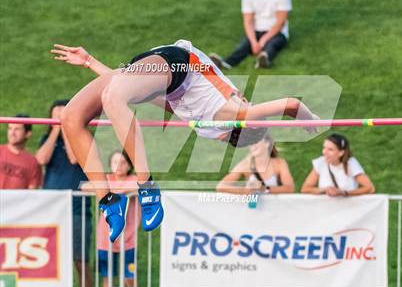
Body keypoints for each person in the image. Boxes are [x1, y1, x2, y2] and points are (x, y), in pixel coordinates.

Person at [50, 38, 318, 242]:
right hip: (174, 63)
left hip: (164, 74)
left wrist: (90, 63)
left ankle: (113, 200)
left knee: (78, 114)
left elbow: (130, 91)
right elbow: (293, 105)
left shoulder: (228, 115)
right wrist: (312, 120)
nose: (245, 98)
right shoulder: (230, 112)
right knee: (79, 113)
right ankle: (133, 191)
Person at [36, 100, 93, 287]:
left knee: (80, 260)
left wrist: (69, 129)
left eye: (63, 114)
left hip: (77, 210)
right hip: (50, 210)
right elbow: (41, 159)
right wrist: (55, 130)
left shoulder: (84, 138)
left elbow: (74, 157)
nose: (59, 118)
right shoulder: (47, 139)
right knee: (48, 258)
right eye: (55, 115)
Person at [82, 150, 140, 287]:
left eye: (123, 162)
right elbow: (84, 186)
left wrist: (111, 192)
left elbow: (142, 186)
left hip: (128, 237)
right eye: (115, 162)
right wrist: (117, 192)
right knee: (107, 277)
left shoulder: (133, 180)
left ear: (129, 165)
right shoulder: (106, 179)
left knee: (129, 277)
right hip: (106, 237)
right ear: (110, 165)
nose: (119, 166)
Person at [210, 0, 292, 69]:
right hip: (256, 31)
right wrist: (254, 42)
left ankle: (264, 60)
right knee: (243, 46)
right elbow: (248, 21)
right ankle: (226, 63)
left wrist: (263, 40)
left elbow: (280, 22)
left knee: (271, 45)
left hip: (277, 32)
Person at [217, 133, 294, 194]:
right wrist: (245, 190)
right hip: (253, 210)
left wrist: (264, 189)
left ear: (267, 143)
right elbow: (221, 186)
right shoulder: (245, 165)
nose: (252, 145)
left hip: (274, 209)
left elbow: (289, 188)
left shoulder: (279, 163)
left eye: (256, 142)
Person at [301, 133, 375, 196]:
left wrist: (344, 193)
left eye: (330, 149)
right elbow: (305, 189)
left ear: (341, 153)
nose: (324, 152)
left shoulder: (351, 163)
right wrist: (325, 190)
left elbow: (369, 188)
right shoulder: (321, 162)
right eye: (324, 148)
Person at [0, 114, 42, 189]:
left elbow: (31, 192)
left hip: (16, 200)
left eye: (17, 129)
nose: (12, 133)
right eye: (10, 128)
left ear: (28, 134)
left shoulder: (32, 162)